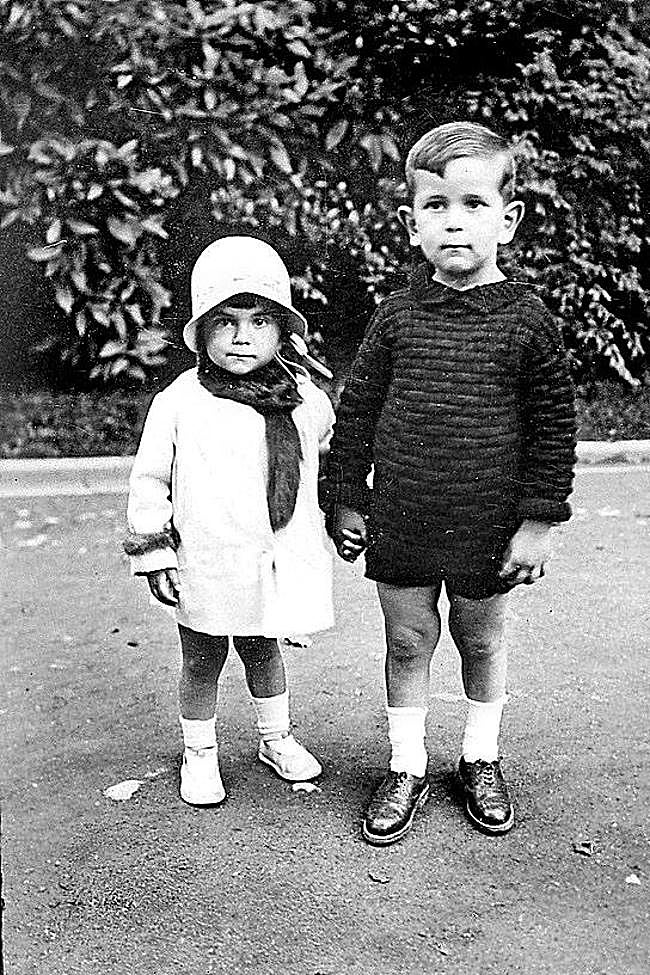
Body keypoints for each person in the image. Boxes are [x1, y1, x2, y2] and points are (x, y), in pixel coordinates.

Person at [326, 121, 577, 844]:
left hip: (487, 521)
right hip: (404, 516)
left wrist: (538, 522)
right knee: (408, 641)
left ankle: (479, 755)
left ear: (508, 217)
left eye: (472, 203)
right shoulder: (397, 317)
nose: (455, 221)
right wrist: (344, 493)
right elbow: (359, 409)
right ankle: (406, 763)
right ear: (413, 223)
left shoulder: (528, 323)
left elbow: (554, 430)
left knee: (481, 639)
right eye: (436, 206)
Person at [124, 236, 335, 807]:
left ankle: (275, 738)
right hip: (207, 556)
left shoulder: (303, 400)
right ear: (202, 330)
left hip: (268, 559)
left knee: (264, 649)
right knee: (203, 655)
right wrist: (156, 553)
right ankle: (199, 751)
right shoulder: (181, 401)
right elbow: (150, 481)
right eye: (227, 322)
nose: (243, 337)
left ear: (282, 330)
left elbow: (322, 454)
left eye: (260, 320)